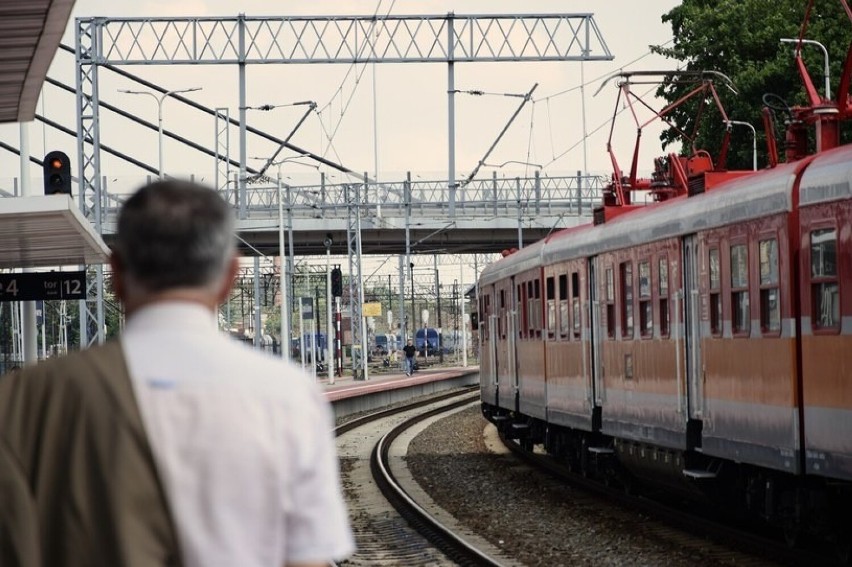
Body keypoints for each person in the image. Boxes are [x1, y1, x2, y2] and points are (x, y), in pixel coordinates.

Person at [0, 180, 354, 567]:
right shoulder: (289, 395)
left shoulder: (25, 398)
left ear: (115, 270)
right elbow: (306, 559)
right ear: (230, 277)